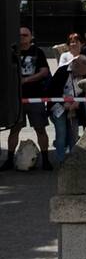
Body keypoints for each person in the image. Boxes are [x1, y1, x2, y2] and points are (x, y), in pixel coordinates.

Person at [1, 26, 52, 171]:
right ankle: (9, 160)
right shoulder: (11, 52)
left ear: (31, 37)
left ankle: (46, 160)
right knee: (14, 130)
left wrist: (27, 80)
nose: (22, 37)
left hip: (35, 97)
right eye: (19, 35)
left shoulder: (38, 52)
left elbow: (44, 72)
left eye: (25, 35)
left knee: (40, 129)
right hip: (16, 98)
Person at [47, 55, 86, 164]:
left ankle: (73, 159)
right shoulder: (62, 71)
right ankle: (61, 160)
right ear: (74, 65)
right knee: (61, 133)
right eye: (80, 73)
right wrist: (63, 103)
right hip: (59, 106)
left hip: (75, 107)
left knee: (74, 134)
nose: (82, 75)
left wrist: (77, 102)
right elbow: (51, 90)